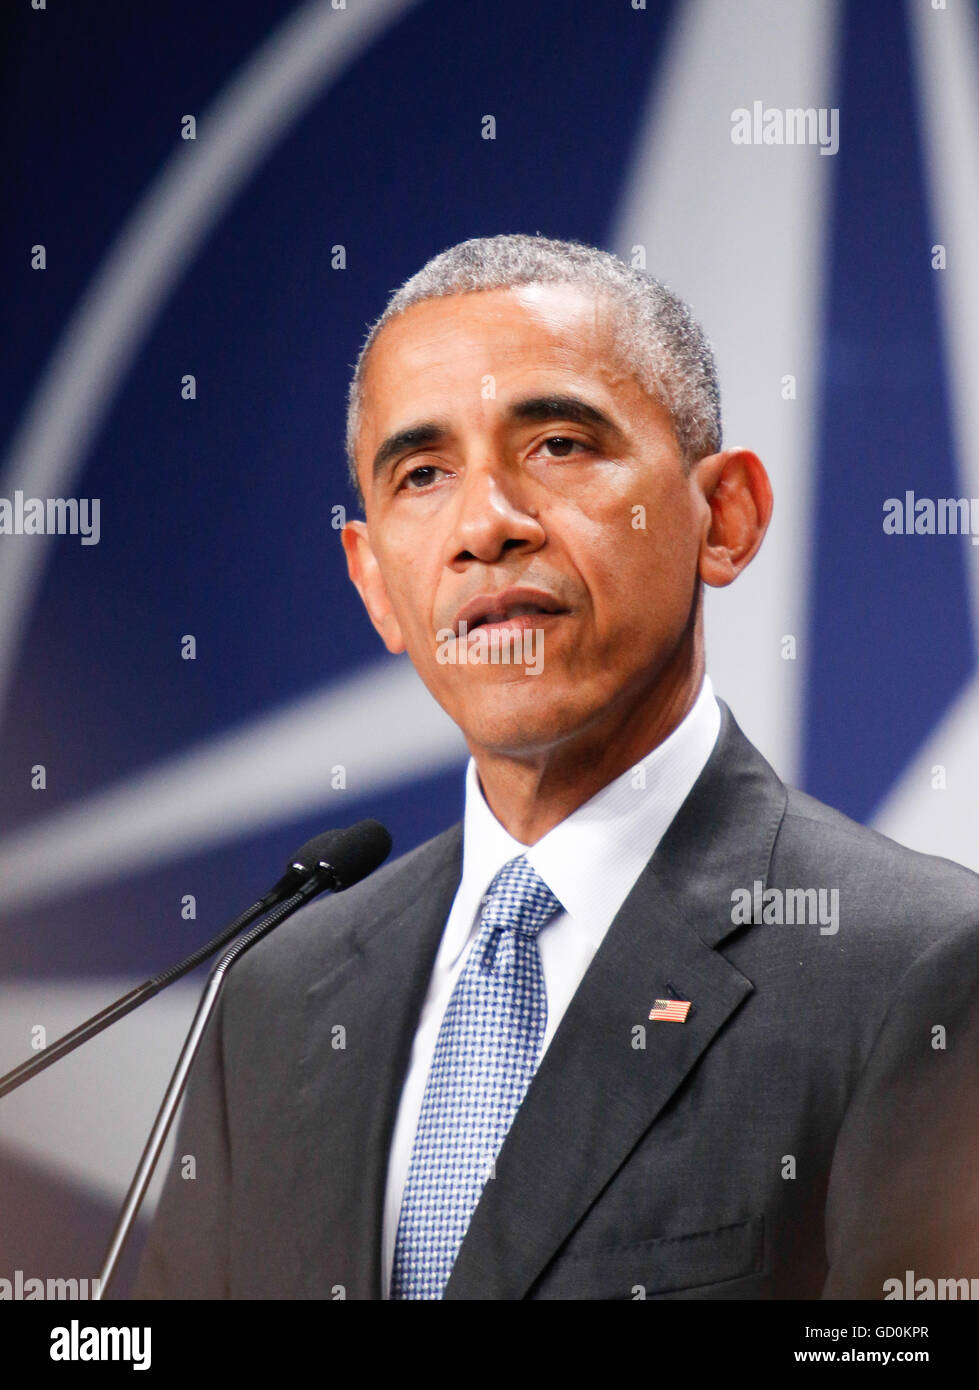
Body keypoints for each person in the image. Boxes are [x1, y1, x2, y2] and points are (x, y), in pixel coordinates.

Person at [134, 233, 979, 1300]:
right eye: (423, 473)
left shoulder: (922, 967)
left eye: (560, 445)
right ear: (375, 584)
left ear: (724, 518)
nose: (485, 525)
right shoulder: (277, 996)